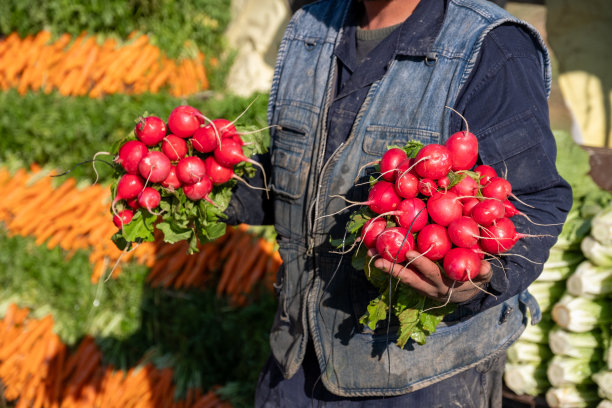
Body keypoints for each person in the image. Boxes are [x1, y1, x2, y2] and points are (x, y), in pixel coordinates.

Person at [224, 0, 573, 406]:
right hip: (296, 364)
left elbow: (536, 199)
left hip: (421, 380)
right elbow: (295, 174)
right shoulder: (308, 28)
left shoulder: (492, 44)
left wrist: (481, 279)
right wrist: (216, 191)